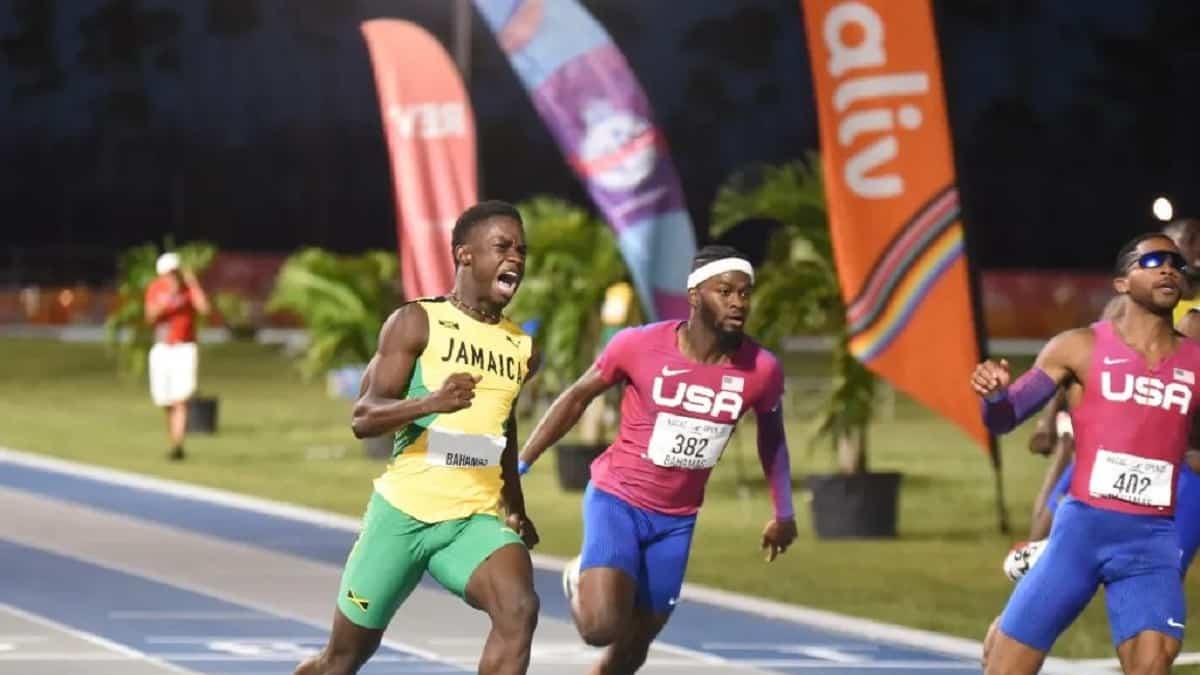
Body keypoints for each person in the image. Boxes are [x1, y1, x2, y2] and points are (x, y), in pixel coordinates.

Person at [517, 245, 797, 675]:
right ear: (695, 296)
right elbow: (576, 398)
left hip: (677, 519)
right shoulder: (638, 344)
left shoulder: (761, 370)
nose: (739, 302)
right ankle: (579, 577)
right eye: (725, 291)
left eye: (745, 293)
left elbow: (772, 441)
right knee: (600, 627)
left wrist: (783, 512)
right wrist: (523, 462)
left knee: (633, 646)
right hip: (618, 500)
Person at [294, 201, 540, 675]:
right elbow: (363, 417)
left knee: (519, 610)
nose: (516, 259)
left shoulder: (522, 348)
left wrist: (515, 504)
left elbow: (502, 428)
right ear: (464, 254)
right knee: (341, 661)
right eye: (502, 247)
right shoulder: (416, 322)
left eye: (522, 251)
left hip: (472, 519)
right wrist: (430, 403)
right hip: (403, 515)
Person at [975, 232, 1200, 675]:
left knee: (1153, 664)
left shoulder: (1195, 360)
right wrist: (995, 397)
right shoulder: (1078, 347)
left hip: (1151, 543)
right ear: (1121, 282)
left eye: (1175, 262)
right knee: (1003, 669)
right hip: (1080, 535)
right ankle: (1016, 611)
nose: (1168, 268)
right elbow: (1005, 417)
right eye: (1152, 260)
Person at [144, 251, 210, 461]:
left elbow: (204, 308)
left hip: (184, 348)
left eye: (175, 272)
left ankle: (178, 445)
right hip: (162, 348)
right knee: (165, 400)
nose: (172, 276)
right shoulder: (156, 289)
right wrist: (168, 300)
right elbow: (150, 316)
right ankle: (174, 437)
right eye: (168, 273)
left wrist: (193, 283)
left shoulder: (188, 289)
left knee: (181, 399)